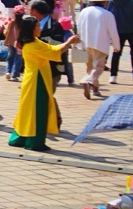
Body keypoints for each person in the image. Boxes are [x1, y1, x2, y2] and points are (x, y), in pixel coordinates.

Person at [8, 16, 80, 151]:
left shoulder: (34, 42)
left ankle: (21, 138)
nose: (40, 29)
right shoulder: (33, 45)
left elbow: (53, 48)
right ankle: (34, 142)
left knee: (27, 111)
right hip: (36, 81)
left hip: (34, 80)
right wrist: (69, 41)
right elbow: (54, 52)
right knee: (38, 112)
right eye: (37, 27)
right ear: (31, 29)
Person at [77, 0, 119, 99]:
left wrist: (78, 43)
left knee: (90, 67)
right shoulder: (107, 14)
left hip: (85, 42)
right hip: (100, 43)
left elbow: (79, 27)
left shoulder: (84, 12)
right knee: (99, 67)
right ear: (104, 2)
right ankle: (86, 81)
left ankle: (95, 89)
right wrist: (116, 46)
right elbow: (113, 32)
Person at [109, 0, 133, 84]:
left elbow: (109, 14)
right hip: (132, 29)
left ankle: (113, 75)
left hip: (117, 29)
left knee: (116, 52)